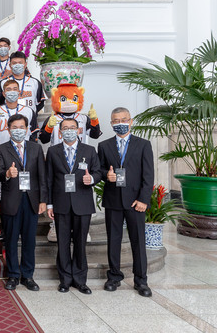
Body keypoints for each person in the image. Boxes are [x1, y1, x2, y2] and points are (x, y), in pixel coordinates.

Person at [98, 107, 154, 297]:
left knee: (138, 242)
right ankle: (114, 277)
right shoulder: (104, 146)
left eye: (123, 119)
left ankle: (141, 280)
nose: (120, 123)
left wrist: (143, 200)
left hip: (135, 202)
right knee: (113, 240)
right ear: (111, 123)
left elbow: (148, 176)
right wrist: (107, 175)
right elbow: (100, 170)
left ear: (130, 121)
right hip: (113, 201)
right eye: (115, 120)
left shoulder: (143, 145)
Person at [46, 118, 101, 294]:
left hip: (82, 204)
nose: (69, 131)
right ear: (60, 132)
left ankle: (80, 280)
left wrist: (91, 179)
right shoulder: (53, 151)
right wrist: (49, 204)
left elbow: (98, 172)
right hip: (61, 203)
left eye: (72, 128)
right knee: (62, 243)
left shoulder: (90, 150)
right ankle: (65, 279)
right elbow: (48, 180)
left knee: (80, 243)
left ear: (78, 130)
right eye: (65, 128)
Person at [0, 114, 47, 291]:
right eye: (14, 127)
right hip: (11, 200)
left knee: (29, 240)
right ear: (8, 130)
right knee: (11, 239)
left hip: (31, 200)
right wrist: (7, 174)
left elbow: (42, 176)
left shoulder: (35, 148)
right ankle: (13, 275)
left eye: (21, 127)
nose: (18, 130)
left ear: (27, 129)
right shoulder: (0, 149)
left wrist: (43, 200)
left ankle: (28, 276)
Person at [0, 79, 37, 145]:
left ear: (19, 92)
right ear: (4, 94)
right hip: (1, 149)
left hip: (23, 149)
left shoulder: (29, 111)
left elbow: (33, 134)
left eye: (15, 89)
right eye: (8, 89)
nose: (12, 92)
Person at [0, 51, 44, 116]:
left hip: (29, 119)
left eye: (20, 63)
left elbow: (40, 103)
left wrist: (31, 113)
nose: (17, 65)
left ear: (25, 64)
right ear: (10, 65)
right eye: (14, 63)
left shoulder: (35, 82)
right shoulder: (2, 83)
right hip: (9, 118)